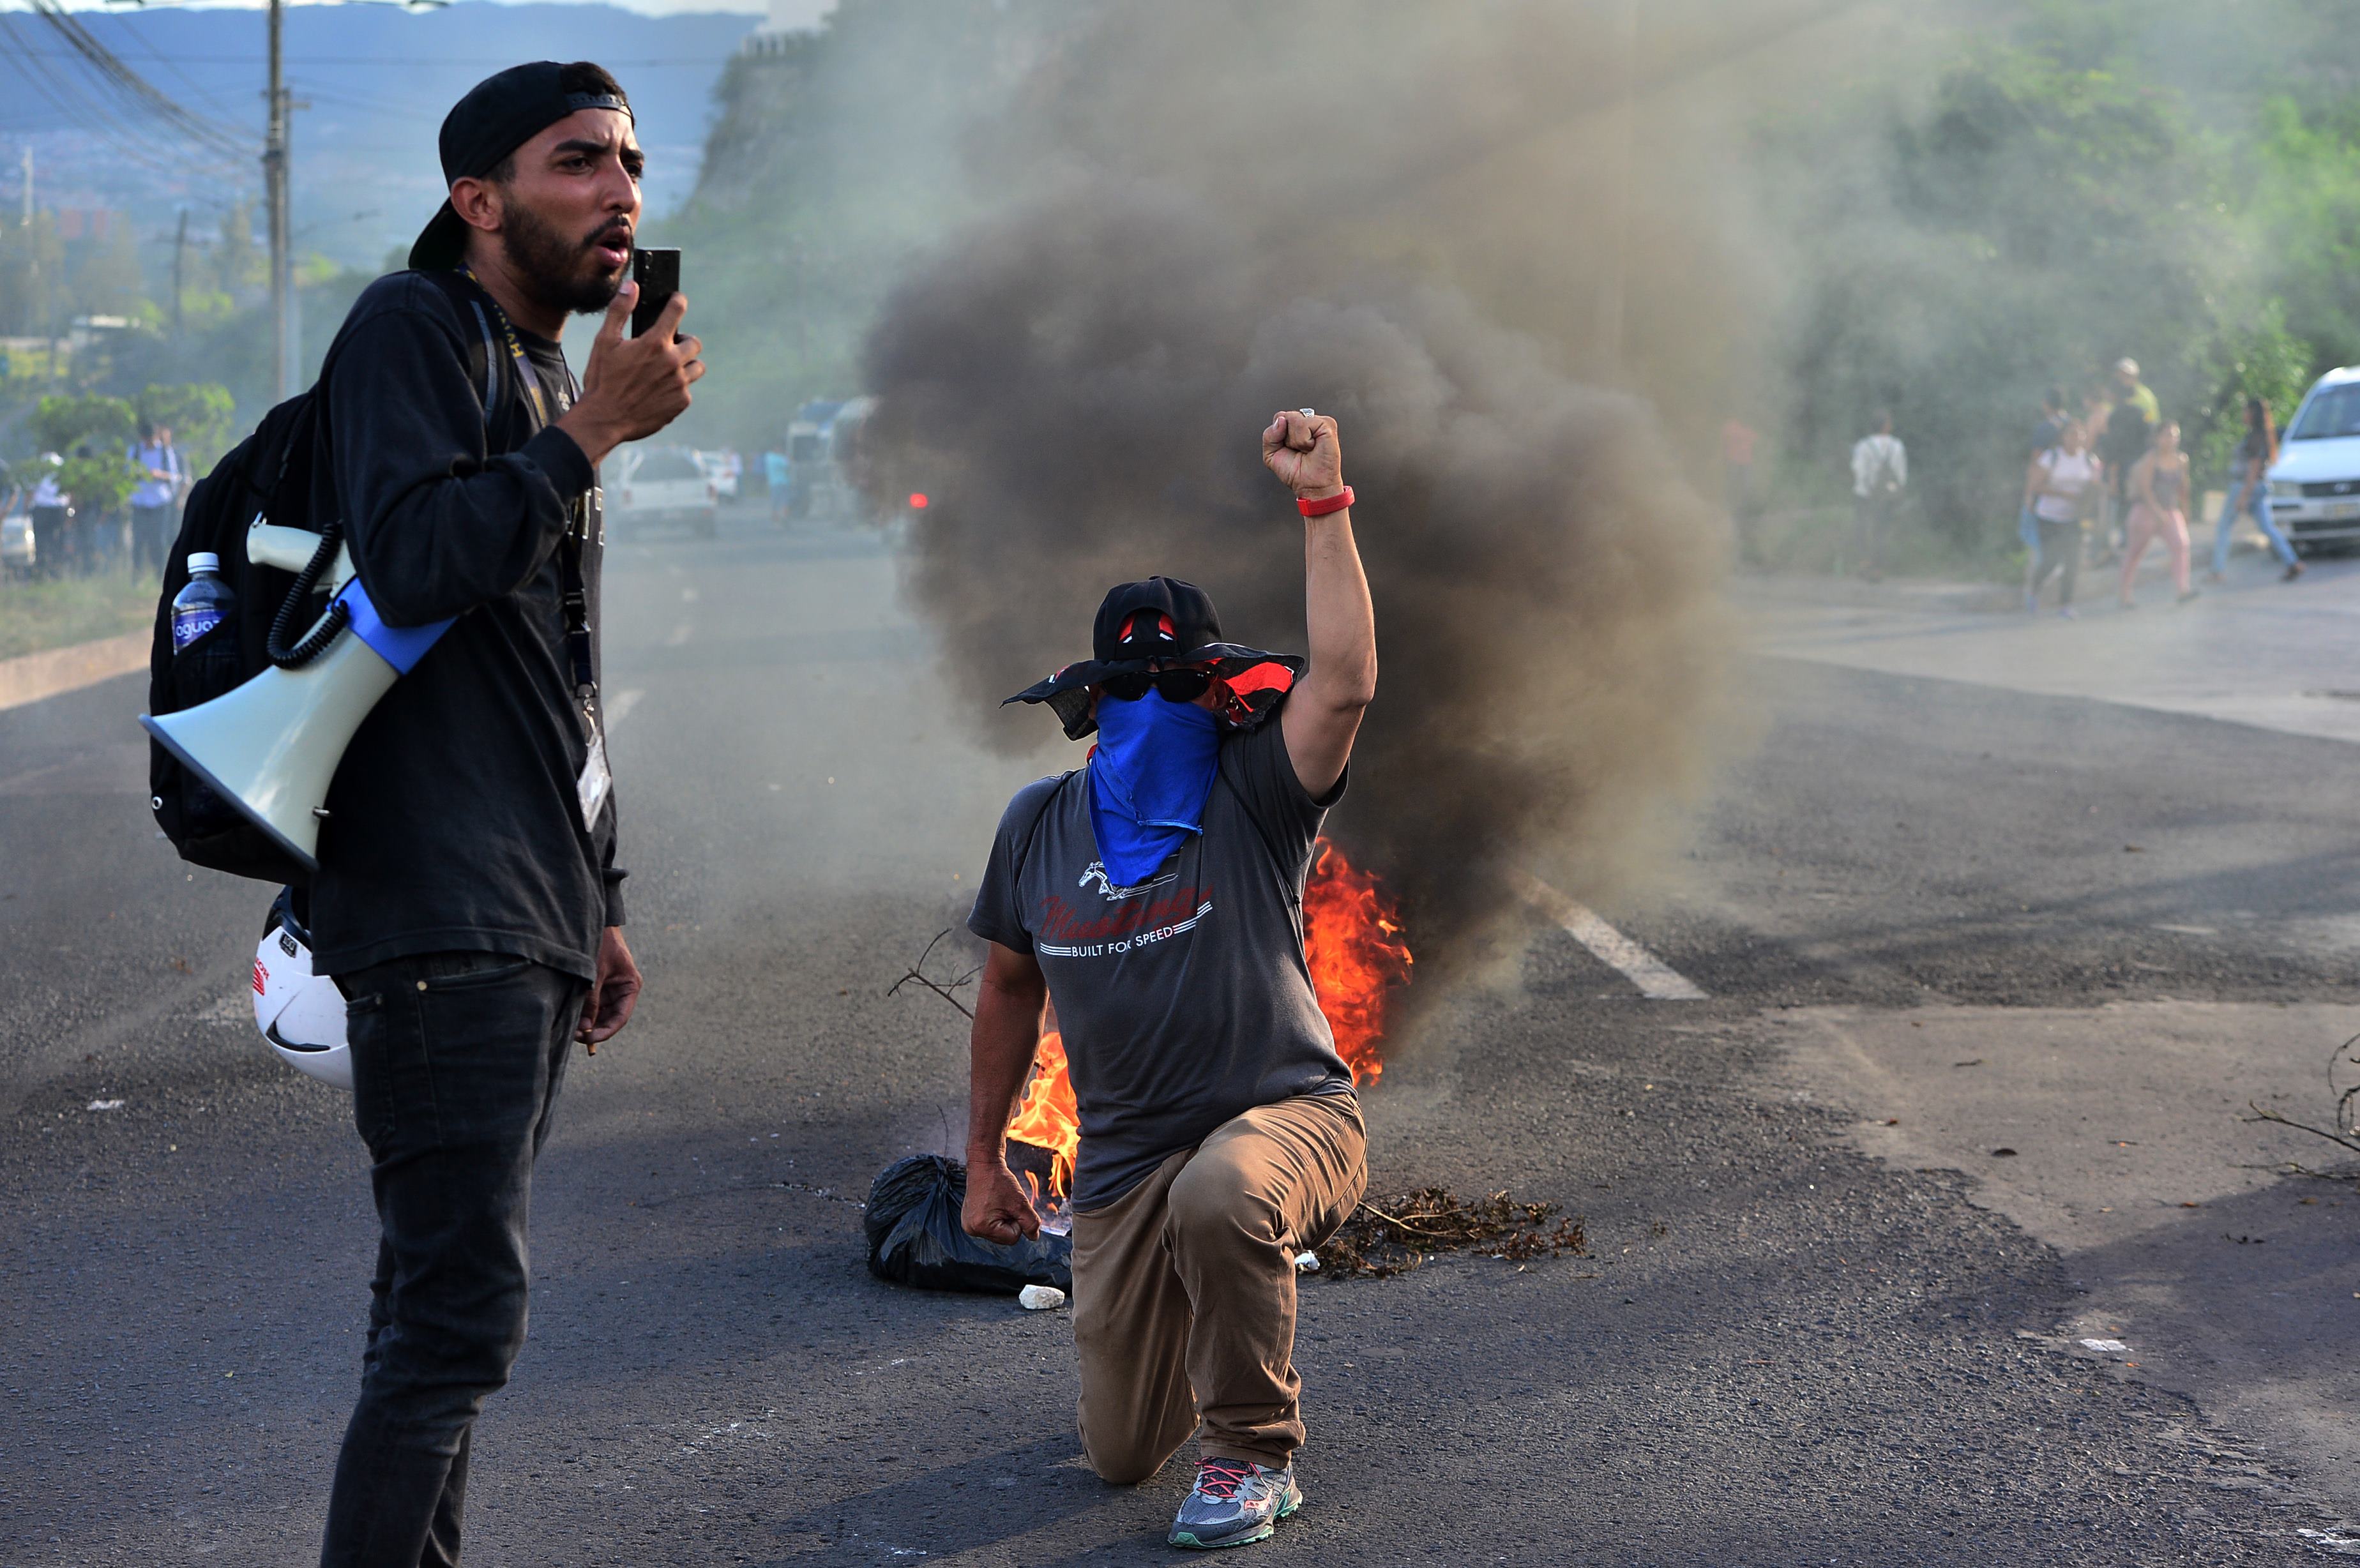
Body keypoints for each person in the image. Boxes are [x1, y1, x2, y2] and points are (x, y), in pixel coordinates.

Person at [305, 61, 703, 1567]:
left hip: (518, 907)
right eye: (577, 161)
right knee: (457, 1317)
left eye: (630, 163)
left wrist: (594, 893)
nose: (621, 191)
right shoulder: (415, 330)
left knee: (435, 1314)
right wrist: (590, 433)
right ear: (479, 199)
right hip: (433, 902)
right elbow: (410, 562)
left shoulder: (539, 378)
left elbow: (556, 677)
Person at [961, 411, 1375, 1552]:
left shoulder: (1255, 789)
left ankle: (1251, 1451)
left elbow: (1340, 685)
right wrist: (985, 1157)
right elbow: (1007, 990)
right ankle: (1203, 1320)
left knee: (1223, 1197)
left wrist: (1323, 503)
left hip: (1286, 1116)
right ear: (1093, 705)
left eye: (1174, 688)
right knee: (1118, 1455)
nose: (1153, 712)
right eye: (1129, 693)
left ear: (1216, 693)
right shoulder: (1040, 824)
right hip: (1128, 1158)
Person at [2208, 395, 2303, 584]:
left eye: (2245, 410)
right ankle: (2292, 562)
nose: (2243, 414)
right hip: (2259, 487)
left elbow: (2253, 467)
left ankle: (2217, 571)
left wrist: (2244, 496)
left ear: (2252, 413)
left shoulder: (2255, 437)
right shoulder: (2262, 435)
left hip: (2245, 486)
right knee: (2267, 528)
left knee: (2224, 527)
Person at [2026, 419, 2100, 617]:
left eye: (2080, 434)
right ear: (2063, 437)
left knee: (2073, 562)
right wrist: (2064, 495)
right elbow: (2036, 486)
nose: (2076, 438)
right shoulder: (2051, 458)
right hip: (2049, 516)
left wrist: (2090, 503)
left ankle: (2066, 604)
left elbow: (2094, 489)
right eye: (2071, 434)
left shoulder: (2090, 460)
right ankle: (2034, 590)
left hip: (2075, 519)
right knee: (2051, 559)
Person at [2119, 420, 2195, 607]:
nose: (2172, 440)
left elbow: (2183, 487)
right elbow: (2145, 489)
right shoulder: (2150, 460)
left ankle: (2182, 589)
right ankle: (2124, 594)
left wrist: (2185, 509)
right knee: (2136, 552)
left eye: (2175, 436)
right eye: (2167, 435)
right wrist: (2157, 512)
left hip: (2170, 510)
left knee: (2181, 546)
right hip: (2146, 511)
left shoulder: (2181, 460)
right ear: (2158, 438)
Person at [2096, 358, 2159, 562]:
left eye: (2126, 374)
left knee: (2126, 499)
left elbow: (2152, 429)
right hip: (2120, 458)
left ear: (2134, 376)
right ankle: (2116, 543)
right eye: (2119, 373)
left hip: (2133, 459)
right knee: (2119, 500)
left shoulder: (2145, 397)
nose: (2121, 378)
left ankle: (2122, 543)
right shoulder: (2112, 396)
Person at [2019, 388, 2069, 610]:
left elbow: (2036, 462)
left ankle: (2033, 596)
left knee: (2039, 547)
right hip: (2069, 494)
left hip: (2046, 494)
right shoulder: (2072, 427)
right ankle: (2055, 595)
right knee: (2063, 547)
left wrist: (2029, 494)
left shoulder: (2045, 428)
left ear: (2046, 404)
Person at [1849, 410, 1905, 579]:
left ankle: (1865, 563)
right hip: (1887, 495)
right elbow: (1901, 474)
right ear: (1886, 426)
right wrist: (1896, 491)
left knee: (1863, 529)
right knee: (1881, 531)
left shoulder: (1863, 446)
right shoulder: (1897, 446)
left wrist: (1865, 488)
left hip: (1865, 494)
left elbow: (1858, 470)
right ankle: (1879, 568)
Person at [128, 422, 185, 578]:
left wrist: (160, 475)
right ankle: (137, 574)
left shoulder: (166, 452)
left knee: (158, 541)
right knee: (138, 541)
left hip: (160, 502)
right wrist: (138, 474)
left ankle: (159, 574)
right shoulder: (135, 451)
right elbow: (127, 474)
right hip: (139, 501)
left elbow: (176, 476)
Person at [1721, 416, 1758, 561]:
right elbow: (1725, 440)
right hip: (1733, 461)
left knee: (1746, 487)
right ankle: (1732, 506)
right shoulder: (1731, 426)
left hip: (1746, 462)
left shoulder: (1747, 428)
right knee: (1733, 486)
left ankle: (1744, 506)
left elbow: (1755, 439)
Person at [27, 453, 68, 579]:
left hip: (41, 509)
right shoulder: (63, 467)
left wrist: (26, 513)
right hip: (58, 510)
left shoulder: (38, 467)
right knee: (56, 541)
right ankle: (55, 572)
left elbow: (31, 491)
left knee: (41, 542)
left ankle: (42, 571)